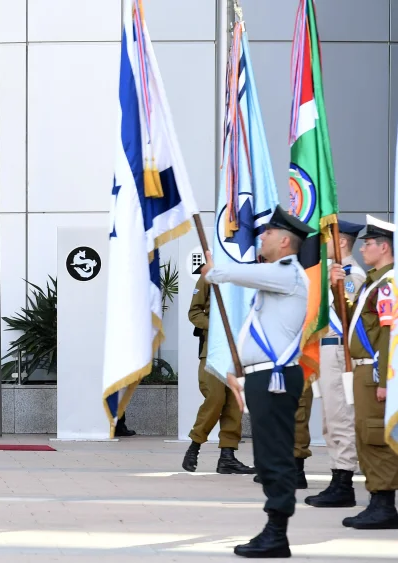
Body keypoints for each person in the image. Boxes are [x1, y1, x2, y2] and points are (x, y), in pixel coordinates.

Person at [199, 205, 312, 558]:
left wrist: (214, 270)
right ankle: (273, 529)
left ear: (283, 240)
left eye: (266, 234)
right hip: (263, 379)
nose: (260, 237)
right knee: (266, 457)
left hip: (275, 380)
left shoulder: (288, 273)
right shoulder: (278, 274)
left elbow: (236, 274)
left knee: (275, 458)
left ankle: (277, 533)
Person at [330, 215, 398, 529]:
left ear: (383, 247)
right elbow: (352, 323)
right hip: (364, 372)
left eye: (369, 243)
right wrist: (336, 289)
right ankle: (377, 501)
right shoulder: (374, 282)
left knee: (374, 436)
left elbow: (389, 334)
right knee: (365, 433)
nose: (364, 248)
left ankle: (383, 505)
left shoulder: (387, 286)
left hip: (374, 373)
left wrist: (385, 378)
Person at [306, 220, 365, 507]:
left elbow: (348, 316)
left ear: (341, 242)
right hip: (326, 349)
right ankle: (337, 478)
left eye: (327, 238)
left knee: (341, 416)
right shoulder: (335, 273)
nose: (323, 244)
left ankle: (344, 483)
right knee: (331, 419)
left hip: (339, 350)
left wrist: (334, 285)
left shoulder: (352, 275)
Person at [183, 272, 253, 474]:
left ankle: (227, 457)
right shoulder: (209, 275)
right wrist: (217, 327)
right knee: (215, 398)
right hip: (213, 350)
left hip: (239, 351)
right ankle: (194, 445)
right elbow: (194, 313)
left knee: (234, 403)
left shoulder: (246, 273)